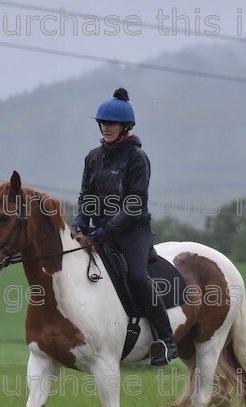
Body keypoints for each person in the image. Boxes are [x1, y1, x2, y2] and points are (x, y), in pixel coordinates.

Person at [72, 88, 178, 366]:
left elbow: (134, 204)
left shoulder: (137, 159)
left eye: (111, 124)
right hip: (99, 231)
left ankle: (166, 340)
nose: (106, 127)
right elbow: (87, 196)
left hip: (132, 231)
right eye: (102, 123)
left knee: (136, 277)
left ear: (125, 127)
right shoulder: (93, 157)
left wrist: (108, 230)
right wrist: (80, 220)